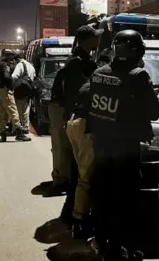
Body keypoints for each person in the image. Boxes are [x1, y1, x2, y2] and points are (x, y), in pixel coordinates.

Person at [88, 29, 159, 260]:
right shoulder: (138, 76)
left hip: (100, 147)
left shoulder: (98, 73)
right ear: (137, 51)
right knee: (125, 199)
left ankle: (100, 240)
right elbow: (154, 112)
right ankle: (122, 248)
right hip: (125, 149)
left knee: (102, 194)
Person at [54, 25, 101, 224]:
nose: (97, 41)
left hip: (78, 119)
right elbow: (75, 94)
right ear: (85, 40)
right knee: (81, 173)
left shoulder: (84, 60)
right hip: (80, 119)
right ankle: (74, 217)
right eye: (94, 38)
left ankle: (71, 212)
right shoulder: (76, 63)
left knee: (79, 169)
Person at [65, 82, 94, 240]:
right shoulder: (104, 82)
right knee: (86, 178)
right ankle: (80, 220)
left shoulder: (89, 83)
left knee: (81, 173)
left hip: (73, 122)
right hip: (84, 125)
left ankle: (77, 217)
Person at [0, 49, 31, 142]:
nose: (12, 57)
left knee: (2, 112)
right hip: (5, 90)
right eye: (10, 55)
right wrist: (11, 84)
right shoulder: (6, 65)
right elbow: (7, 77)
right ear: (8, 55)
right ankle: (19, 133)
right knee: (13, 111)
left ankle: (3, 134)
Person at [12, 51, 36, 134]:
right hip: (28, 89)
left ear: (17, 59)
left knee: (18, 108)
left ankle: (19, 127)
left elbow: (14, 76)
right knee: (26, 108)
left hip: (20, 89)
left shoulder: (20, 65)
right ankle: (26, 126)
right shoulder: (31, 66)